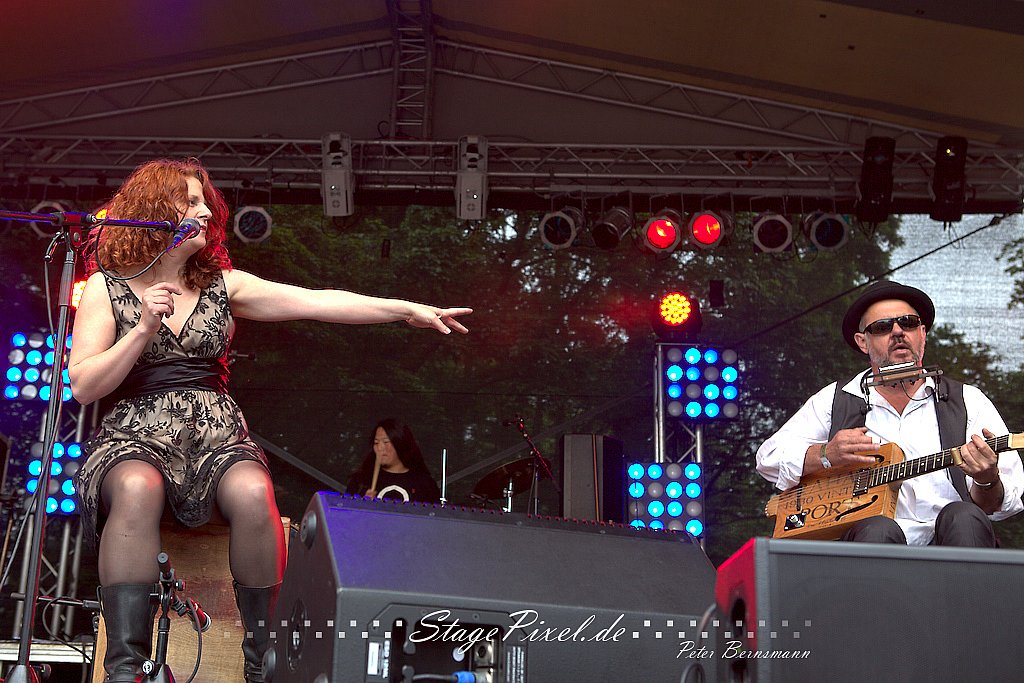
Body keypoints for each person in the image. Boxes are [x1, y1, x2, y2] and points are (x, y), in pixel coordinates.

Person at [68, 158, 471, 683]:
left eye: (205, 204)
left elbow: (317, 301)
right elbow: (84, 386)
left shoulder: (223, 285)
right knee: (136, 487)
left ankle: (265, 663)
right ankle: (127, 670)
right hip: (134, 435)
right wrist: (142, 328)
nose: (204, 212)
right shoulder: (107, 288)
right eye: (190, 201)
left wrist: (404, 309)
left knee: (255, 491)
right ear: (153, 209)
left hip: (215, 434)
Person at [756, 280, 1023, 546]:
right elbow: (768, 458)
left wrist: (987, 480)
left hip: (953, 541)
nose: (897, 332)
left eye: (908, 323)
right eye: (882, 327)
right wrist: (826, 454)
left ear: (922, 333)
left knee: (964, 517)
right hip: (874, 543)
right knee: (877, 528)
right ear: (863, 342)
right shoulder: (835, 399)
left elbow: (1003, 504)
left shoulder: (967, 400)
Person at [346, 418, 441, 503]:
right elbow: (345, 513)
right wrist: (362, 505)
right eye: (376, 443)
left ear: (400, 443)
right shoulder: (361, 482)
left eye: (386, 442)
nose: (380, 448)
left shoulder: (424, 485)